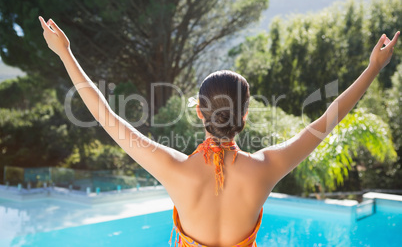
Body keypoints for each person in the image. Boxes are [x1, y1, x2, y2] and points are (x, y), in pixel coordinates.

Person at [39, 16, 399, 246]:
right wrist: (373, 68)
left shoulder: (173, 169)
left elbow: (106, 116)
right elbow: (328, 119)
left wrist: (65, 54)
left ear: (199, 112)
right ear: (245, 113)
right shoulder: (267, 167)